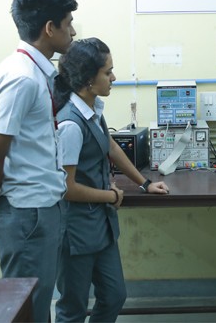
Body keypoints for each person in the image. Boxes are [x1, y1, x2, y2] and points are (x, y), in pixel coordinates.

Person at [0, 0, 78, 323]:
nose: (73, 31)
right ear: (50, 28)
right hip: (27, 213)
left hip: (40, 209)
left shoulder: (33, 72)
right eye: (68, 23)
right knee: (27, 313)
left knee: (38, 307)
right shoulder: (22, 79)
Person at [53, 38, 169, 322]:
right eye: (108, 72)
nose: (114, 77)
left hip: (100, 226)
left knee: (115, 295)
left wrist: (145, 183)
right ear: (89, 79)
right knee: (73, 308)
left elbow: (111, 146)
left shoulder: (92, 110)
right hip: (75, 231)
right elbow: (66, 188)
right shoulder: (70, 124)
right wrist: (112, 196)